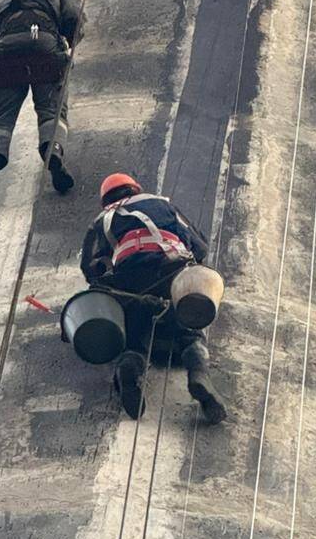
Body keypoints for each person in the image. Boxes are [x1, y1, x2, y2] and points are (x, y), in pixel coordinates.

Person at [80, 173, 227, 424]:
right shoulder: (161, 203)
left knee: (133, 335)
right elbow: (199, 246)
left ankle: (129, 367)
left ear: (106, 199)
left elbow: (90, 269)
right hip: (171, 268)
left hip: (129, 277)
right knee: (189, 330)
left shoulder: (101, 220)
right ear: (135, 189)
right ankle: (199, 373)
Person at [0, 0, 85, 205]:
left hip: (5, 58)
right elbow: (75, 19)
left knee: (1, 118)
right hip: (44, 52)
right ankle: (54, 152)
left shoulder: (7, 3)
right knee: (52, 110)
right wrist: (69, 44)